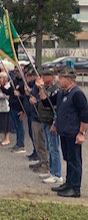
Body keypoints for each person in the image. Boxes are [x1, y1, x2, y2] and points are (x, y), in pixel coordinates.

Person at [39, 68, 86, 198]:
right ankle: (68, 183)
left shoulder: (77, 94)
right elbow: (46, 103)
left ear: (68, 80)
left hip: (73, 133)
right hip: (63, 131)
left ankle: (75, 188)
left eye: (61, 78)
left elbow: (84, 115)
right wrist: (41, 88)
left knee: (74, 161)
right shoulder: (61, 93)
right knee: (68, 159)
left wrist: (81, 133)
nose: (58, 80)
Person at [29, 69, 61, 183]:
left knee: (54, 149)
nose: (42, 77)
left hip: (52, 121)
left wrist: (55, 123)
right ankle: (52, 171)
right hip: (45, 119)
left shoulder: (55, 89)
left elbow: (54, 106)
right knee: (49, 147)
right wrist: (40, 89)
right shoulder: (46, 88)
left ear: (52, 77)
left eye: (45, 76)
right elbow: (44, 102)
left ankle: (57, 174)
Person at [8, 70, 27, 154]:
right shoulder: (14, 82)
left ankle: (21, 144)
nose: (16, 73)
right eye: (16, 72)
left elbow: (26, 98)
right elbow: (8, 92)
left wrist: (24, 110)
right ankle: (18, 143)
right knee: (16, 127)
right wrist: (1, 86)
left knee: (20, 127)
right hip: (12, 106)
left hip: (19, 108)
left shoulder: (24, 83)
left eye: (18, 72)